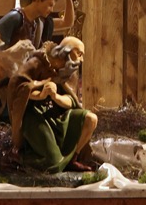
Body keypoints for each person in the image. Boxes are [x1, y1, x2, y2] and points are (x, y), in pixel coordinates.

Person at [0, 0, 75, 123]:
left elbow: (67, 22)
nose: (51, 9)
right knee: (5, 102)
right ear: (37, 0)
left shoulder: (41, 22)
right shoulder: (16, 17)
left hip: (25, 71)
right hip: (9, 71)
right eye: (49, 5)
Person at [7, 36, 98, 174]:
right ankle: (19, 159)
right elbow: (18, 86)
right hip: (36, 116)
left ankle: (73, 158)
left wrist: (55, 97)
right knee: (53, 163)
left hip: (59, 115)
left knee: (91, 119)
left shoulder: (70, 70)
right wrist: (41, 93)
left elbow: (71, 101)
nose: (81, 60)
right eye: (79, 54)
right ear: (67, 51)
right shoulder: (38, 62)